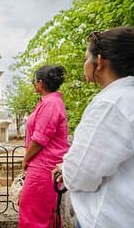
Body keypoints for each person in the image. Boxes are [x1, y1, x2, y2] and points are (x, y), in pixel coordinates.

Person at [52, 27, 134, 227]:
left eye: (86, 58)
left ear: (100, 62)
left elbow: (82, 173)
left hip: (106, 219)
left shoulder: (110, 104)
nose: (84, 64)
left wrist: (66, 169)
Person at [19, 65, 69, 228]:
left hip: (43, 167)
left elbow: (40, 139)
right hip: (43, 165)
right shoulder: (49, 102)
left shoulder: (51, 104)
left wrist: (26, 159)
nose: (33, 84)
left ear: (40, 83)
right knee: (40, 212)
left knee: (34, 214)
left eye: (34, 81)